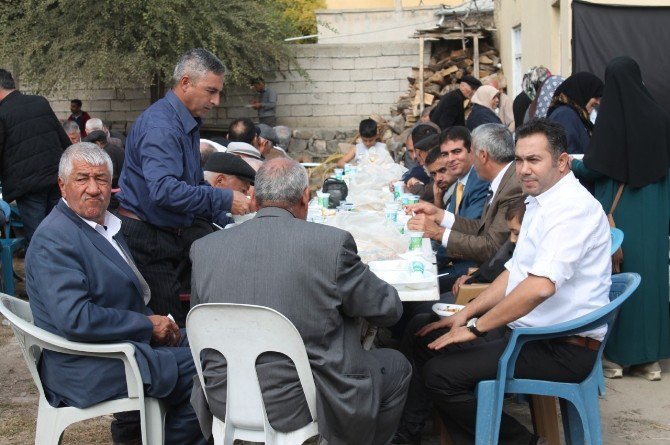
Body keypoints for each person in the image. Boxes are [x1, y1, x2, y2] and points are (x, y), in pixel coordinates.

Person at [393, 119, 611, 445]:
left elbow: (539, 287)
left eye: (534, 160)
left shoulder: (571, 209)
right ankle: (415, 433)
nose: (523, 169)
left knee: (441, 375)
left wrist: (477, 327)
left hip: (559, 346)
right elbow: (514, 271)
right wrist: (464, 314)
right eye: (520, 159)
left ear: (562, 161)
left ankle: (525, 442)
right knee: (426, 332)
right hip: (527, 332)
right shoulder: (540, 199)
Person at [190, 158, 411, 445]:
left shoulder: (205, 249)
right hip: (299, 404)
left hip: (224, 397)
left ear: (254, 199)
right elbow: (388, 309)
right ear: (306, 197)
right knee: (397, 365)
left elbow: (200, 323)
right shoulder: (331, 245)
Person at [25, 143, 206, 445]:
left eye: (102, 179)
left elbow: (117, 298)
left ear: (113, 185)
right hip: (86, 365)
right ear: (62, 185)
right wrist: (147, 326)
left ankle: (137, 434)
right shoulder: (55, 238)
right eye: (82, 179)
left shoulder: (102, 227)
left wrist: (154, 325)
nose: (94, 189)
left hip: (118, 347)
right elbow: (77, 319)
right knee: (209, 370)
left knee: (213, 344)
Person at [116, 48, 251, 327]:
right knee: (170, 326)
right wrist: (223, 199)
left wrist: (223, 214)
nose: (215, 100)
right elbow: (165, 190)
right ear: (186, 83)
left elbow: (191, 182)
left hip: (169, 231)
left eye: (218, 92)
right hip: (149, 239)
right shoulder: (162, 127)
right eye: (210, 91)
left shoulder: (183, 121)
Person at [571, 56, 670, 381]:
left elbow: (597, 167)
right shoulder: (658, 117)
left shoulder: (611, 120)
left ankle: (617, 359)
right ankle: (650, 360)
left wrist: (571, 165)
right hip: (654, 211)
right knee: (652, 281)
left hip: (619, 215)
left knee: (616, 277)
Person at [406, 123, 522, 272]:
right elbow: (481, 227)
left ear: (483, 156)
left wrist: (438, 232)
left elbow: (492, 246)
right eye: (445, 154)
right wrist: (439, 214)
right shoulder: (500, 180)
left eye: (470, 152)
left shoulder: (511, 186)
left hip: (482, 271)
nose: (450, 160)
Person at [0, 68, 71, 246]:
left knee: (40, 238)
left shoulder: (2, 113)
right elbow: (63, 140)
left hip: (28, 186)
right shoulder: (40, 102)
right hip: (56, 179)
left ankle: (44, 272)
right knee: (60, 232)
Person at [547, 72, 603, 155]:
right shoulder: (565, 115)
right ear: (584, 91)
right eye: (596, 96)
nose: (598, 102)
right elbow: (569, 156)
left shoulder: (575, 115)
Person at [439, 126, 490, 219]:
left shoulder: (480, 180)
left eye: (456, 152)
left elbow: (472, 225)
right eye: (445, 154)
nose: (450, 159)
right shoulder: (461, 180)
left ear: (471, 151)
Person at [82, 130, 125, 210]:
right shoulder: (114, 148)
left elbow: (112, 177)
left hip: (116, 196)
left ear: (98, 144)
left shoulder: (106, 153)